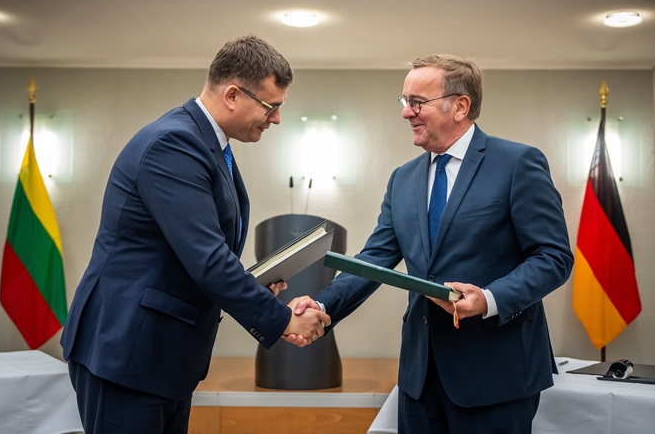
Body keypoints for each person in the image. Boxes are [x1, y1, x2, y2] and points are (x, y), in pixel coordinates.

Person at [60, 35, 330, 434]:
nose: (275, 119)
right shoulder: (174, 143)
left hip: (163, 358)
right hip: (127, 353)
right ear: (233, 95)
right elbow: (207, 259)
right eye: (271, 106)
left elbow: (193, 254)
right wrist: (283, 319)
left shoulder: (207, 145)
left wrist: (253, 284)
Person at [291, 54, 574, 433]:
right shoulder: (402, 179)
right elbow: (375, 258)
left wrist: (488, 299)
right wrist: (323, 305)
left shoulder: (517, 163)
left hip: (496, 375)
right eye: (404, 101)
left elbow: (553, 257)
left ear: (460, 106)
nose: (406, 112)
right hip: (419, 377)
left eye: (417, 102)